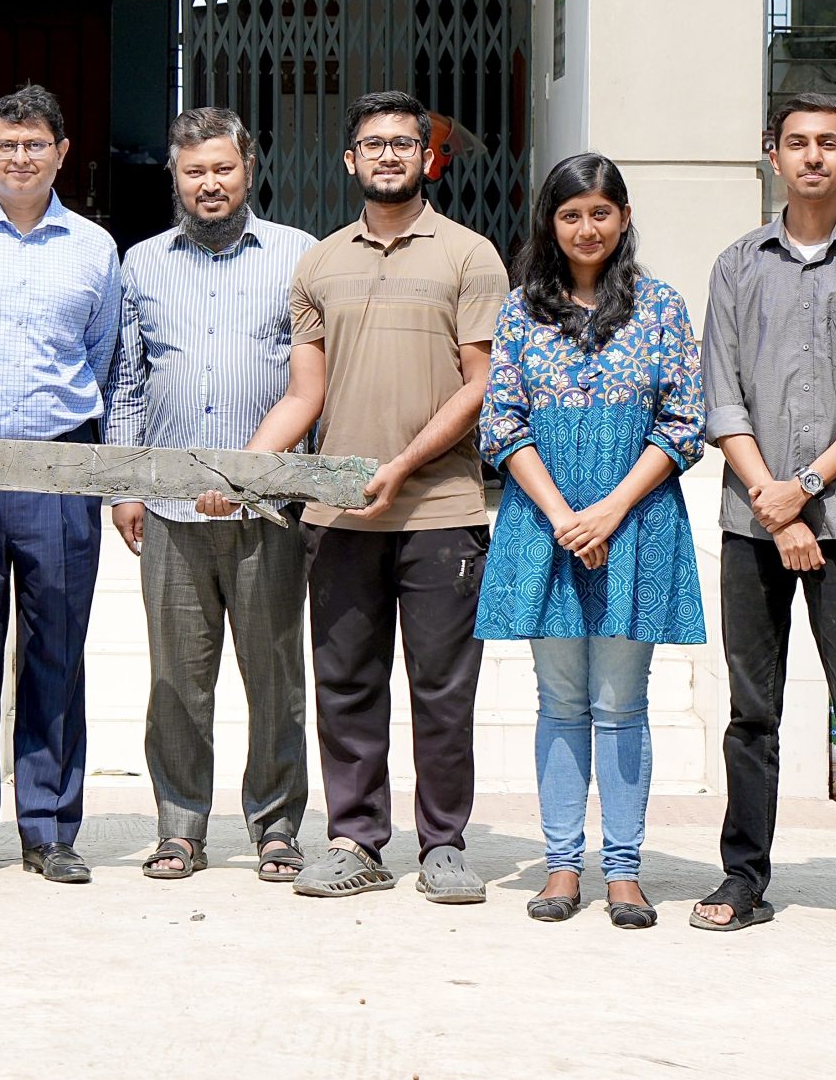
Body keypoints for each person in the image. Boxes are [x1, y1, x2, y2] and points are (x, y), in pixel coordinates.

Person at [224, 90, 505, 903]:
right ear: (350, 160)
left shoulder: (470, 256)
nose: (388, 155)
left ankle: (444, 844)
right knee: (346, 684)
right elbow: (304, 395)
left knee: (442, 690)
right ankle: (355, 839)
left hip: (441, 511)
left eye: (403, 143)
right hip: (338, 513)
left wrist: (402, 464)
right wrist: (242, 474)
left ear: (428, 157)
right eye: (373, 144)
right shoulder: (319, 264)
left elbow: (480, 385)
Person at [690, 91, 836, 945]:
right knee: (752, 711)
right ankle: (744, 875)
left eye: (829, 142)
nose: (813, 155)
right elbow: (721, 394)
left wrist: (806, 487)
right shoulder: (737, 264)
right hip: (753, 522)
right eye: (797, 142)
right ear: (771, 153)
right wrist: (774, 502)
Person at [475, 154, 704, 928]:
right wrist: (565, 514)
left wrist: (607, 510)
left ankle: (626, 870)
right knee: (562, 700)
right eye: (570, 214)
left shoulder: (661, 307)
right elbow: (501, 420)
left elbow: (684, 421)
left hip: (634, 520)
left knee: (622, 701)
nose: (586, 228)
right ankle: (562, 864)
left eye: (600, 212)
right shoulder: (521, 311)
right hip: (545, 522)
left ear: (624, 217)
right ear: (551, 222)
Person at [106, 107, 317, 882]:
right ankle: (180, 828)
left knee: (275, 676)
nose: (210, 183)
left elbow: (312, 381)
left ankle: (276, 826)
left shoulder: (298, 256)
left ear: (249, 169)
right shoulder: (141, 264)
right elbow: (129, 382)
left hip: (269, 509)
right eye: (194, 171)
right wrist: (126, 485)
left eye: (223, 168)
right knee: (176, 680)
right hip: (170, 507)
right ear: (175, 175)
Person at [0, 84, 122, 885]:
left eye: (35, 144)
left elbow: (103, 356)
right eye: (6, 144)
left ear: (62, 153)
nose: (20, 157)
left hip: (60, 470)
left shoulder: (94, 248)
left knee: (56, 651)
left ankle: (49, 827)